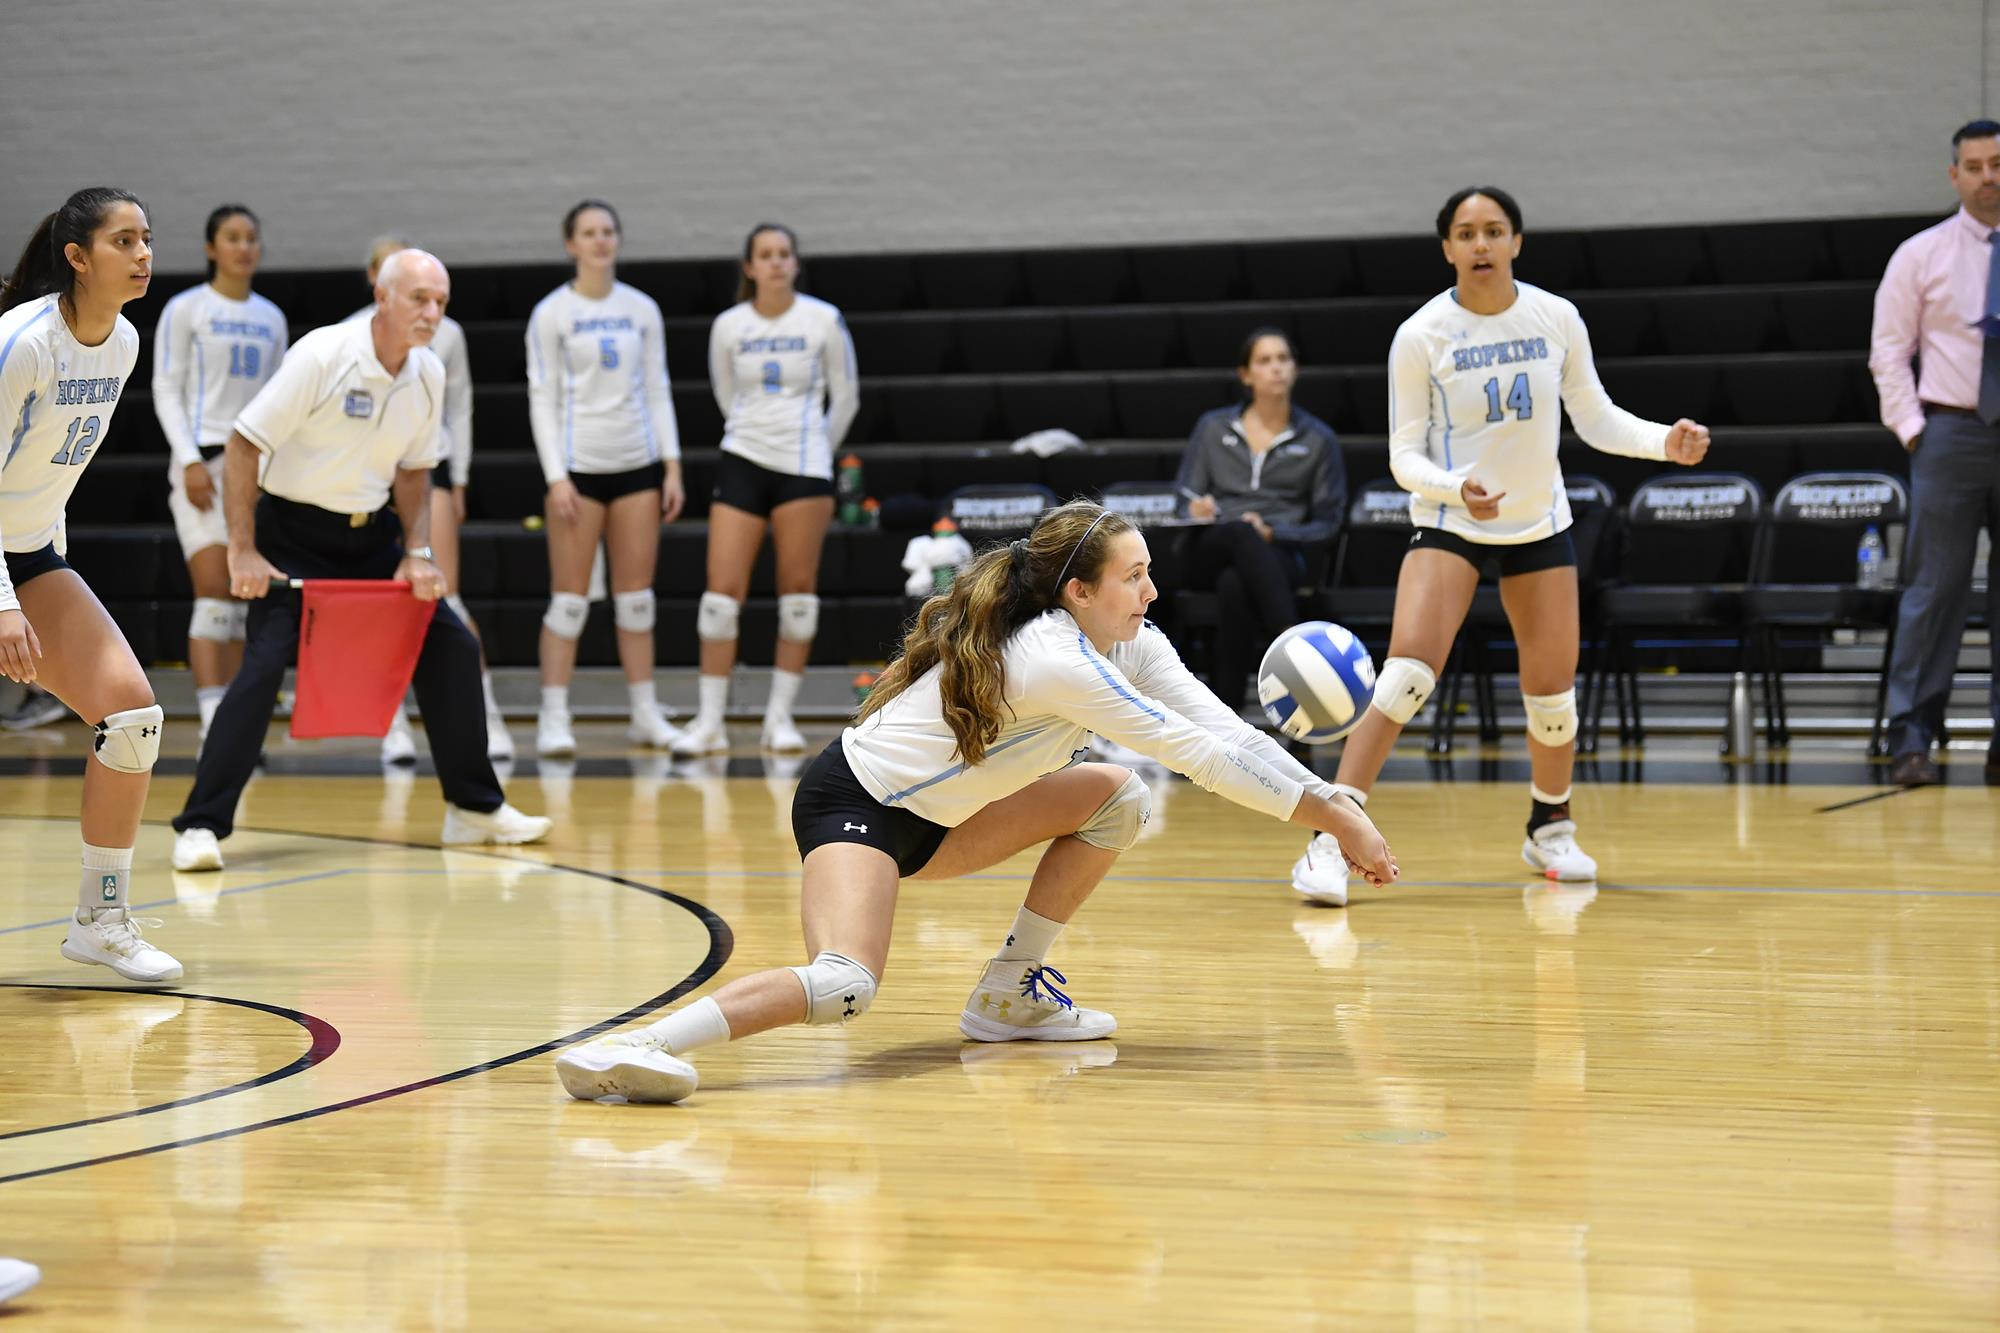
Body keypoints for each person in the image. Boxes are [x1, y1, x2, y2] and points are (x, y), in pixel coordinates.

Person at [553, 501, 1399, 1104]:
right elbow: (1198, 757)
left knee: (1119, 799)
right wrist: (1332, 817)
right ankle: (638, 1044)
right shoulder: (1053, 657)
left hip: (943, 821)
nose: (1150, 592)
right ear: (1078, 591)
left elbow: (1223, 730)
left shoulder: (1132, 644)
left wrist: (1333, 799)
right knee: (847, 986)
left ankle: (1006, 996)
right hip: (857, 806)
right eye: (1133, 577)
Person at [1288, 186, 1711, 907]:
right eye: (1465, 232)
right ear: (1446, 248)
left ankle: (1551, 824)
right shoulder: (1421, 334)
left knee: (1552, 698)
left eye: (1494, 230)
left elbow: (1597, 417)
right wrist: (1456, 488)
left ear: (1517, 241)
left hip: (1539, 521)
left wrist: (1662, 444)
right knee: (1406, 676)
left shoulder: (1556, 317)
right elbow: (1401, 455)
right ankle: (1332, 837)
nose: (1480, 244)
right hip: (1452, 516)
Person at [169, 249, 550, 872]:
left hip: (369, 536)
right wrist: (242, 548)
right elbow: (243, 445)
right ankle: (201, 826)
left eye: (441, 303)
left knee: (450, 644)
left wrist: (416, 553)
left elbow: (416, 469)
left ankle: (474, 808)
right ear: (383, 296)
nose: (432, 313)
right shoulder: (322, 354)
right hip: (290, 531)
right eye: (419, 299)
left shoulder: (427, 373)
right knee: (263, 667)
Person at [0, 187, 182, 982]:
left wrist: (46, 578)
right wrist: (3, 604)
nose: (143, 255)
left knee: (132, 715)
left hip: (26, 551)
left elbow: (54, 473)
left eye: (146, 239)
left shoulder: (123, 343)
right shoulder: (21, 344)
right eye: (123, 241)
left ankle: (99, 919)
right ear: (77, 258)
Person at [673, 222, 857, 757]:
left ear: (795, 263)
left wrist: (816, 449)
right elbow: (726, 394)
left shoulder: (823, 319)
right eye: (765, 255)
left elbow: (845, 396)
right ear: (749, 267)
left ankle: (779, 718)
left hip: (804, 466)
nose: (775, 263)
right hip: (743, 460)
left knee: (797, 595)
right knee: (719, 598)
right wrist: (757, 436)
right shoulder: (729, 325)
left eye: (784, 254)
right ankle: (709, 722)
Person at [525, 200, 685, 757]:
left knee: (636, 600)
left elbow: (658, 388)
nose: (600, 241)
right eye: (589, 233)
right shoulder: (552, 313)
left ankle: (644, 712)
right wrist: (555, 477)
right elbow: (541, 396)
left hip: (636, 465)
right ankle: (553, 716)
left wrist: (670, 464)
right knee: (568, 602)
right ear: (571, 244)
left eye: (608, 231)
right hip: (578, 471)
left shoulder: (641, 309)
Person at [1868, 119, 2000, 788]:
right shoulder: (1920, 254)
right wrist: (1915, 430)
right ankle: (1912, 738)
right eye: (1974, 166)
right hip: (1949, 430)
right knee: (1933, 589)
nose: (1987, 176)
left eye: (1997, 163)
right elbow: (1888, 350)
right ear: (1955, 175)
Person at [345, 236, 508, 764]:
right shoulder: (347, 336)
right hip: (367, 483)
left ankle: (488, 719)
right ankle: (394, 723)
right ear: (378, 284)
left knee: (448, 599)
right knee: (379, 607)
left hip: (425, 474)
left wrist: (457, 478)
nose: (428, 309)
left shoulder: (447, 336)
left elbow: (459, 409)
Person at [152, 204, 288, 751]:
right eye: (232, 237)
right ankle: (212, 720)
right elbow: (166, 387)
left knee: (242, 598)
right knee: (212, 594)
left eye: (251, 237)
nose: (244, 247)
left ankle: (233, 719)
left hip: (255, 466)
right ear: (211, 248)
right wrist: (187, 458)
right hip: (203, 462)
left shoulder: (271, 317)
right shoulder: (187, 310)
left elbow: (282, 401)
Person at [1177, 326, 1345, 705]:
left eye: (1284, 359)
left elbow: (1327, 525)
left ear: (1296, 369)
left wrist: (1272, 532)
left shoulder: (1317, 439)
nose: (1276, 369)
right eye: (1265, 360)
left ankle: (1229, 716)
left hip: (1279, 552)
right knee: (1238, 532)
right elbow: (1182, 500)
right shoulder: (1213, 427)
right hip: (1212, 544)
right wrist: (1195, 508)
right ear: (1246, 374)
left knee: (1235, 585)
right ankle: (1293, 642)